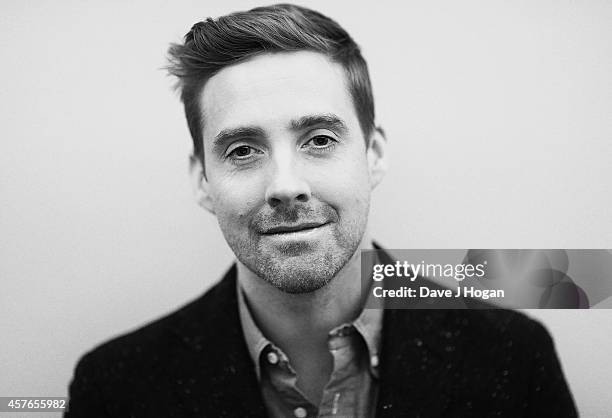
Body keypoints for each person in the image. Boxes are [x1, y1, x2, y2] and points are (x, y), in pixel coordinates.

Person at [65, 4, 578, 417]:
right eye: (242, 150)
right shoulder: (113, 388)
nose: (286, 186)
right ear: (203, 180)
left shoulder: (513, 355)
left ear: (373, 154)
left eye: (319, 139)